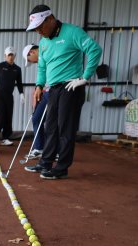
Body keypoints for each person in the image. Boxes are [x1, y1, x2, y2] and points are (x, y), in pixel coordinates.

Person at [24, 5, 101, 179]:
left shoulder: (72, 32)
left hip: (71, 86)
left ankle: (61, 168)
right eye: (35, 28)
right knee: (50, 126)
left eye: (40, 26)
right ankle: (46, 162)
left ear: (50, 19)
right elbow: (42, 67)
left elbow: (94, 50)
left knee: (65, 128)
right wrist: (38, 86)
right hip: (53, 89)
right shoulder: (43, 43)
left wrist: (85, 77)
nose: (38, 31)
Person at [0, 46, 24, 146]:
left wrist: (21, 94)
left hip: (9, 96)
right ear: (5, 56)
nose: (10, 57)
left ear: (15, 56)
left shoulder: (17, 69)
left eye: (12, 55)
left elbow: (19, 83)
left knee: (8, 115)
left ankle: (6, 137)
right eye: (9, 55)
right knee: (0, 114)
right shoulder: (0, 66)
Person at [22, 43, 47, 159]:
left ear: (31, 52)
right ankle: (41, 148)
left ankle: (41, 148)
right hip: (47, 91)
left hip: (53, 91)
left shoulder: (45, 52)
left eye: (30, 60)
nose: (33, 62)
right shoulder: (43, 56)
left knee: (39, 118)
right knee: (38, 118)